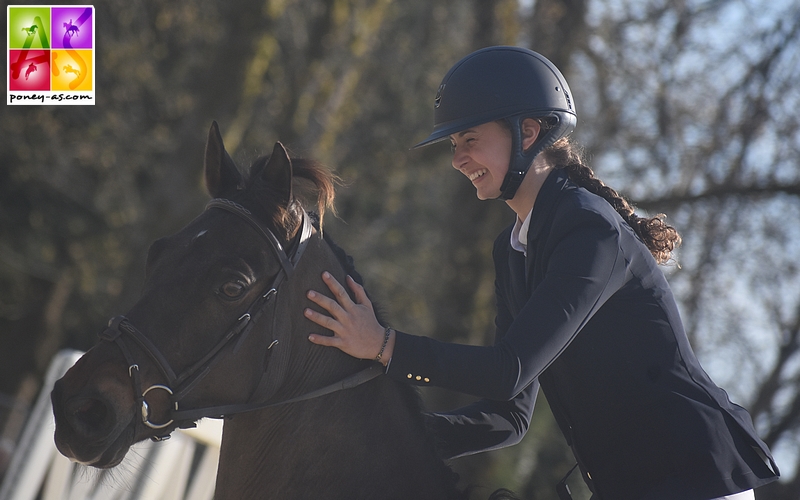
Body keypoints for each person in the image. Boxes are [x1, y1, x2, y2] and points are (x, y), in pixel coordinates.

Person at [304, 46, 779, 500]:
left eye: (469, 139)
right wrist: (392, 436)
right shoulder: (513, 250)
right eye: (453, 145)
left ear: (527, 132)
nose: (457, 159)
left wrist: (385, 346)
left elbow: (508, 370)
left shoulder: (589, 229)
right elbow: (507, 416)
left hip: (696, 477)